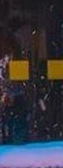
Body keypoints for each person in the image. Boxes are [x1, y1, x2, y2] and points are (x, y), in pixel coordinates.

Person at [0, 16, 29, 144]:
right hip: (13, 92)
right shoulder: (12, 44)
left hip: (12, 92)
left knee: (12, 124)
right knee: (16, 124)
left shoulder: (12, 44)